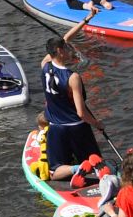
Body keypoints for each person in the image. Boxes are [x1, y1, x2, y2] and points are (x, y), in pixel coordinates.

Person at [38, 37, 107, 180]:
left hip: (56, 128)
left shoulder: (44, 65)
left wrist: (86, 20)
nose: (70, 51)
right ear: (59, 51)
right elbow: (81, 113)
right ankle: (85, 167)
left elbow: (64, 39)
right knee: (96, 164)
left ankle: (75, 169)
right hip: (77, 128)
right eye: (67, 48)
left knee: (54, 173)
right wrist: (97, 124)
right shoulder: (73, 77)